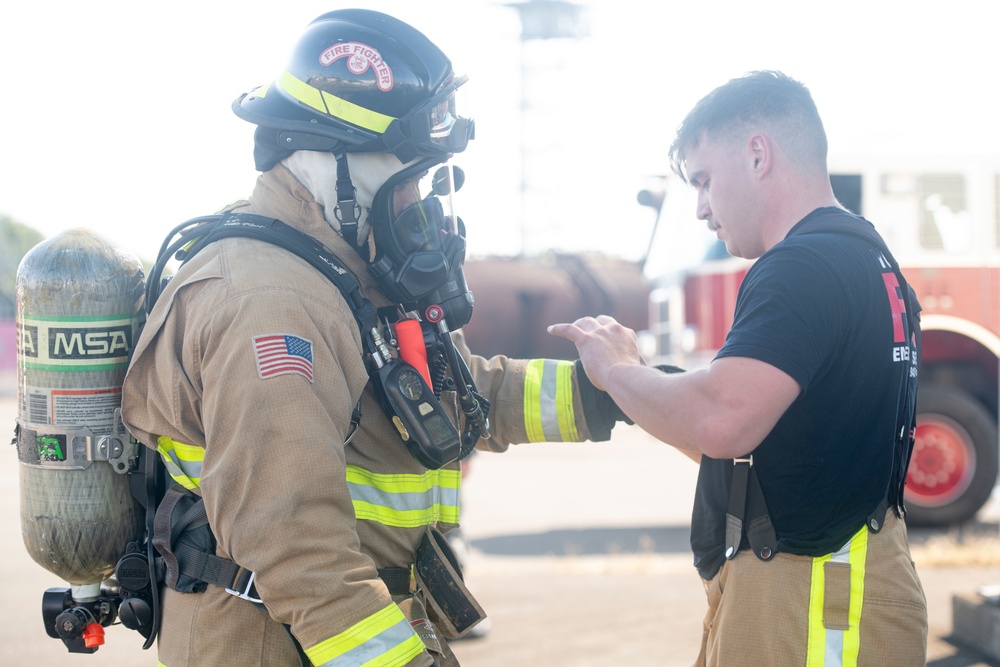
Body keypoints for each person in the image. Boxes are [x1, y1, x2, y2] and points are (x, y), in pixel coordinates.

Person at [120, 9, 626, 667]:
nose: (422, 203)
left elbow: (457, 395)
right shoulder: (270, 301)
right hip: (283, 643)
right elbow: (299, 548)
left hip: (348, 636)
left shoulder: (342, 272)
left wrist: (618, 388)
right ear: (337, 164)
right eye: (410, 176)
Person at [548, 70, 928, 665]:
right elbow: (779, 442)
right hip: (839, 587)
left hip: (809, 604)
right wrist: (662, 392)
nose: (700, 207)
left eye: (703, 181)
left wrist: (615, 370)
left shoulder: (800, 266)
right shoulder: (865, 255)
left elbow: (723, 422)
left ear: (757, 155)